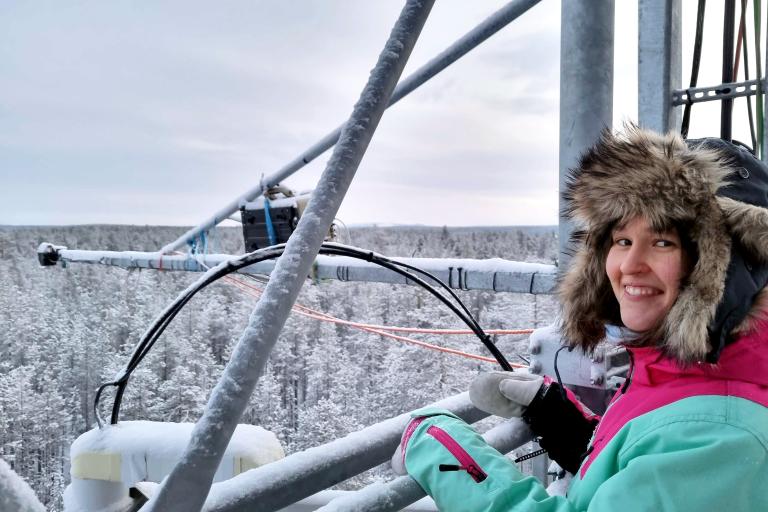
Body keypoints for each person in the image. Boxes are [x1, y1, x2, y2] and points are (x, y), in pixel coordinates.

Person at [393, 126, 768, 511]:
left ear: (725, 269)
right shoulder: (695, 372)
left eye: (662, 242)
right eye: (622, 240)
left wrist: (446, 454)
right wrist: (567, 426)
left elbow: (682, 452)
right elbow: (651, 475)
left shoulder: (719, 435)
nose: (629, 264)